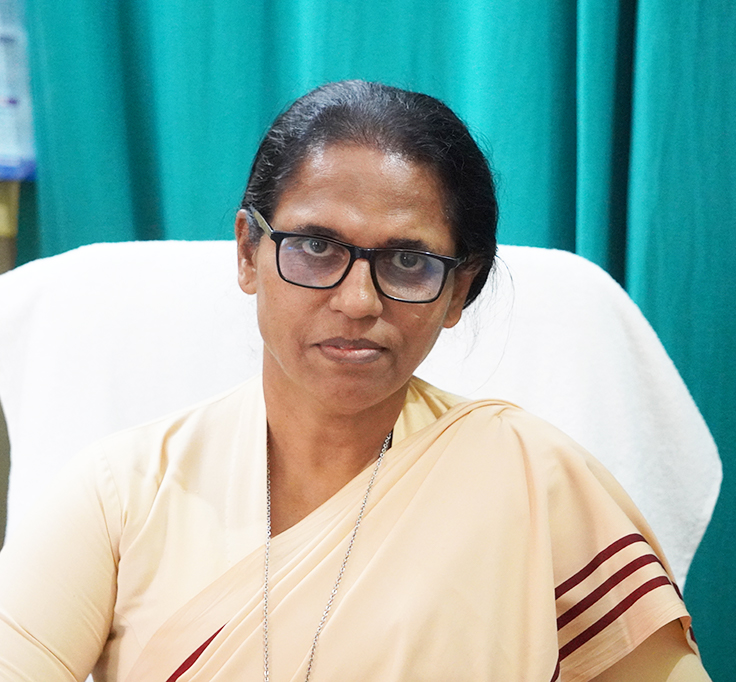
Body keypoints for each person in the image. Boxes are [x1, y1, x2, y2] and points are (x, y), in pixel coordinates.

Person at [0, 80, 710, 681]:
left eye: (409, 262)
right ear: (247, 253)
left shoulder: (537, 482)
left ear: (459, 291)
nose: (358, 301)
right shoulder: (121, 496)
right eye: (316, 246)